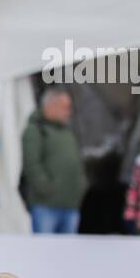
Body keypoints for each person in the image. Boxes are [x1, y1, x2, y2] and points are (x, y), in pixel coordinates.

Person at [21, 87, 86, 234]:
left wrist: (81, 185)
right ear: (51, 106)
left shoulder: (66, 131)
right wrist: (46, 188)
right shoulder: (35, 130)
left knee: (67, 253)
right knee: (45, 252)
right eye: (65, 107)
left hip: (70, 204)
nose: (68, 111)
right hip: (46, 206)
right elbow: (31, 164)